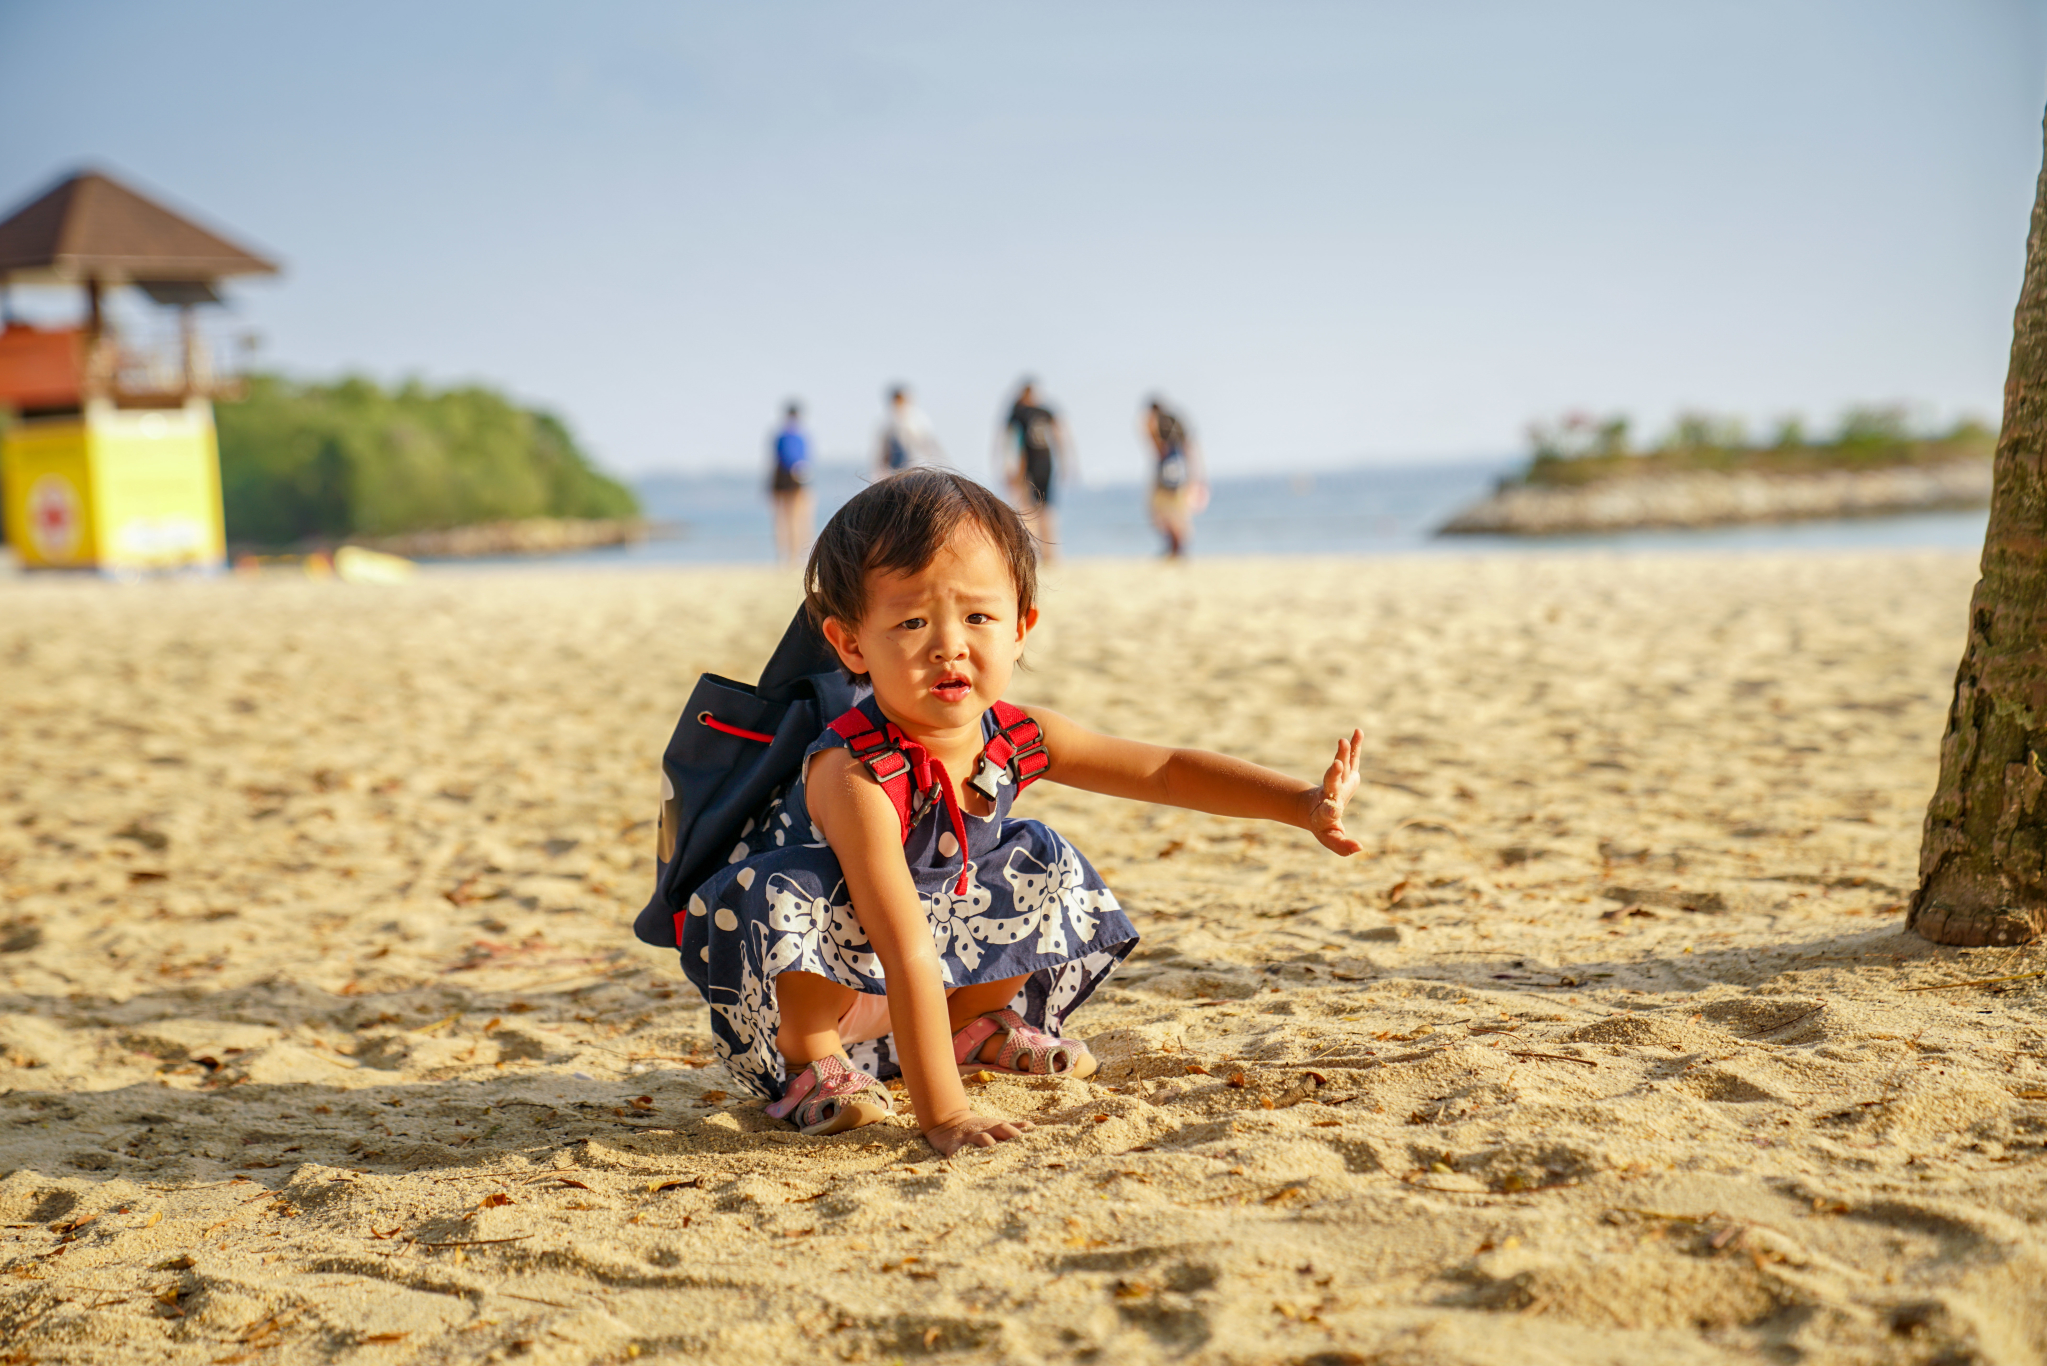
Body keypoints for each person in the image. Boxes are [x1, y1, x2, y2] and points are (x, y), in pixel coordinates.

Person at [680, 469, 1366, 1155]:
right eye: (911, 621)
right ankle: (813, 1065)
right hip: (822, 982)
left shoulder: (1014, 736)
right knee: (784, 889)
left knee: (1035, 852)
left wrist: (1300, 804)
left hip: (929, 971)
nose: (949, 644)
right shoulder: (854, 773)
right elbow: (904, 946)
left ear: (1021, 627)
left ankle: (975, 1024)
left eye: (977, 617)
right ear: (851, 643)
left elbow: (1162, 770)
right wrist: (944, 1114)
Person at [1001, 380, 1071, 559]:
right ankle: (1051, 553)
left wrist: (1010, 467)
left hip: (1029, 464)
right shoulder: (1046, 411)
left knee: (1027, 508)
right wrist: (1065, 462)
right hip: (1046, 462)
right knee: (1046, 508)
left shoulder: (1018, 412)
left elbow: (1013, 443)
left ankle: (1032, 551)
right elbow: (1060, 435)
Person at [1144, 397, 1206, 558]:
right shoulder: (1177, 425)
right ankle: (1177, 547)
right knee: (1178, 511)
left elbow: (1157, 448)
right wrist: (1195, 475)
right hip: (1180, 470)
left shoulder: (1156, 425)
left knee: (1160, 510)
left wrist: (1147, 430)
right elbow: (1190, 448)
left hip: (1166, 471)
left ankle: (1174, 547)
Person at [769, 401, 813, 565]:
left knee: (784, 520)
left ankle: (788, 556)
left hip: (783, 480)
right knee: (796, 519)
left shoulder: (781, 436)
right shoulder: (797, 437)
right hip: (794, 480)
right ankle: (793, 556)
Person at [875, 385, 944, 476]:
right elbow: (883, 450)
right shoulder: (887, 422)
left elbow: (929, 445)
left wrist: (938, 466)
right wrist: (880, 472)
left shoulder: (918, 419)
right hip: (895, 470)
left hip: (917, 468)